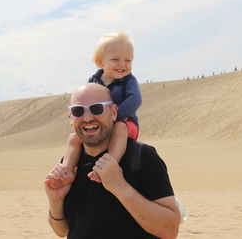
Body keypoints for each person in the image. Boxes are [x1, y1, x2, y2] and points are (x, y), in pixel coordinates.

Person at [44, 83, 180, 238]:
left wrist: (119, 186)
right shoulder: (70, 164)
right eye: (78, 111)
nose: (87, 118)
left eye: (97, 108)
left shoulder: (141, 156)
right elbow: (63, 231)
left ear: (113, 112)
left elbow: (170, 230)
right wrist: (55, 201)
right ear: (71, 117)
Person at [49, 32, 142, 186]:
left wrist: (113, 118)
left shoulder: (129, 81)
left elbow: (135, 100)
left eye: (128, 60)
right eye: (115, 59)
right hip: (100, 123)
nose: (122, 64)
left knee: (119, 128)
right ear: (100, 62)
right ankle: (66, 169)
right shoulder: (94, 80)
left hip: (126, 123)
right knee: (74, 137)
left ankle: (109, 165)